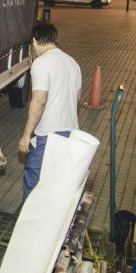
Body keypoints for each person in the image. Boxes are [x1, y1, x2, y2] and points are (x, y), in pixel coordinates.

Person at [17, 23, 82, 201]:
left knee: (34, 179)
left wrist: (26, 134)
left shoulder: (41, 64)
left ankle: (30, 222)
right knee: (56, 181)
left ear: (35, 41)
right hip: (69, 132)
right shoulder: (72, 63)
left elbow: (39, 100)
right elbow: (76, 99)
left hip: (47, 135)